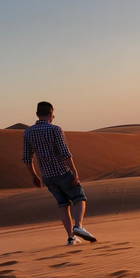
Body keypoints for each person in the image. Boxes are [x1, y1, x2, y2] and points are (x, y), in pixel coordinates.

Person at [22, 101, 97, 246]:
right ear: (51, 114)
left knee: (63, 204)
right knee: (79, 197)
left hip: (47, 177)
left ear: (37, 114)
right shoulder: (55, 129)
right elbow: (64, 153)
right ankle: (79, 226)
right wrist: (74, 171)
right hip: (62, 172)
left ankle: (70, 238)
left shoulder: (28, 132)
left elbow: (27, 158)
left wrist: (34, 176)